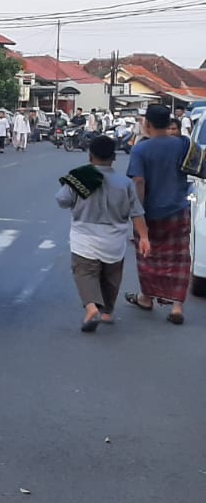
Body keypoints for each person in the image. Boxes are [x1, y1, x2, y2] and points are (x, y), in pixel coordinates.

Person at [57, 135, 147, 333]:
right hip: (115, 239)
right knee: (112, 276)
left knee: (84, 272)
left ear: (90, 156)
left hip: (85, 237)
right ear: (113, 157)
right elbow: (137, 213)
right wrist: (144, 238)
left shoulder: (80, 177)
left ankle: (91, 308)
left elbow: (62, 201)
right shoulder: (124, 183)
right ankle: (106, 312)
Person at [125, 104, 192, 324]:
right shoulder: (183, 143)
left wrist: (138, 213)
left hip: (150, 212)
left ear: (148, 124)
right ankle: (177, 307)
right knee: (179, 256)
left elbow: (139, 182)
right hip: (178, 209)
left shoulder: (140, 149)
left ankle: (146, 298)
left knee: (148, 257)